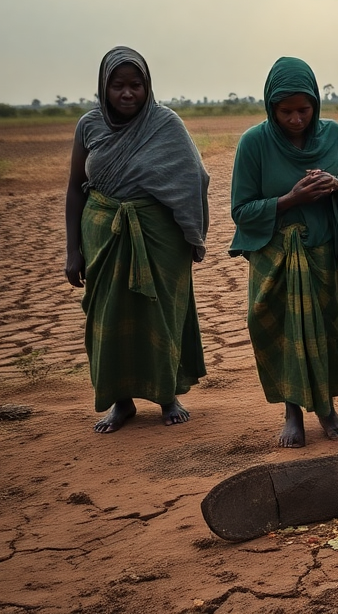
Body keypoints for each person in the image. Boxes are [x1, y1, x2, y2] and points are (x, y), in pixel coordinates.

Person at [64, 46, 209, 434]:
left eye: (136, 85)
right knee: (106, 317)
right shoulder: (88, 126)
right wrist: (72, 250)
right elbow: (76, 189)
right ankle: (120, 402)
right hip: (103, 232)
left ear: (147, 86)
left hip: (159, 235)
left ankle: (167, 396)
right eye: (118, 85)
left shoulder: (165, 123)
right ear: (103, 86)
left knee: (161, 314)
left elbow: (193, 177)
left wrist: (192, 234)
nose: (127, 94)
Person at [230, 56, 338, 448]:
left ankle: (326, 409)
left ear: (316, 104)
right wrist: (290, 199)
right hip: (274, 255)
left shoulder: (334, 135)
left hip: (321, 253)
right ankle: (292, 412)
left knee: (327, 328)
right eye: (284, 111)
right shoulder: (254, 143)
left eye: (304, 109)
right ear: (271, 107)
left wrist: (335, 183)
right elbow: (241, 210)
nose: (295, 119)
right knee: (279, 330)